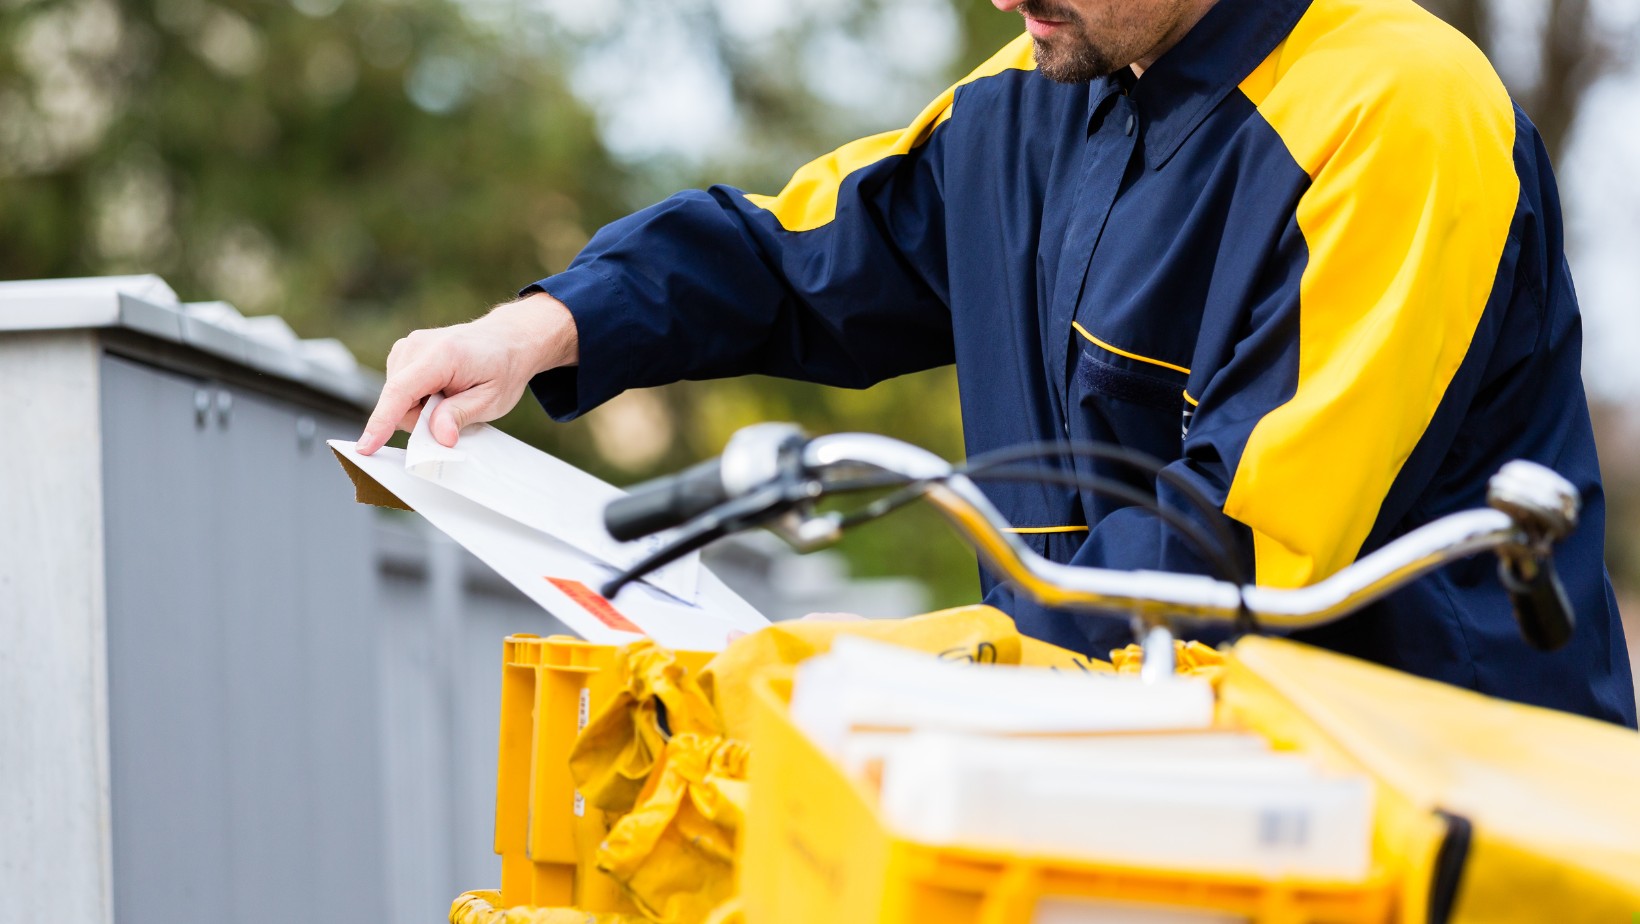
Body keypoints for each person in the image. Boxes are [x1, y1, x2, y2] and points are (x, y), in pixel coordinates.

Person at [357, 0, 1637, 726]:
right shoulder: (1038, 88)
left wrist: (899, 672)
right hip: (1124, 790)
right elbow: (799, 255)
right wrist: (543, 326)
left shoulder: (1400, 113)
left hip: (1434, 827)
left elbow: (1235, 551)